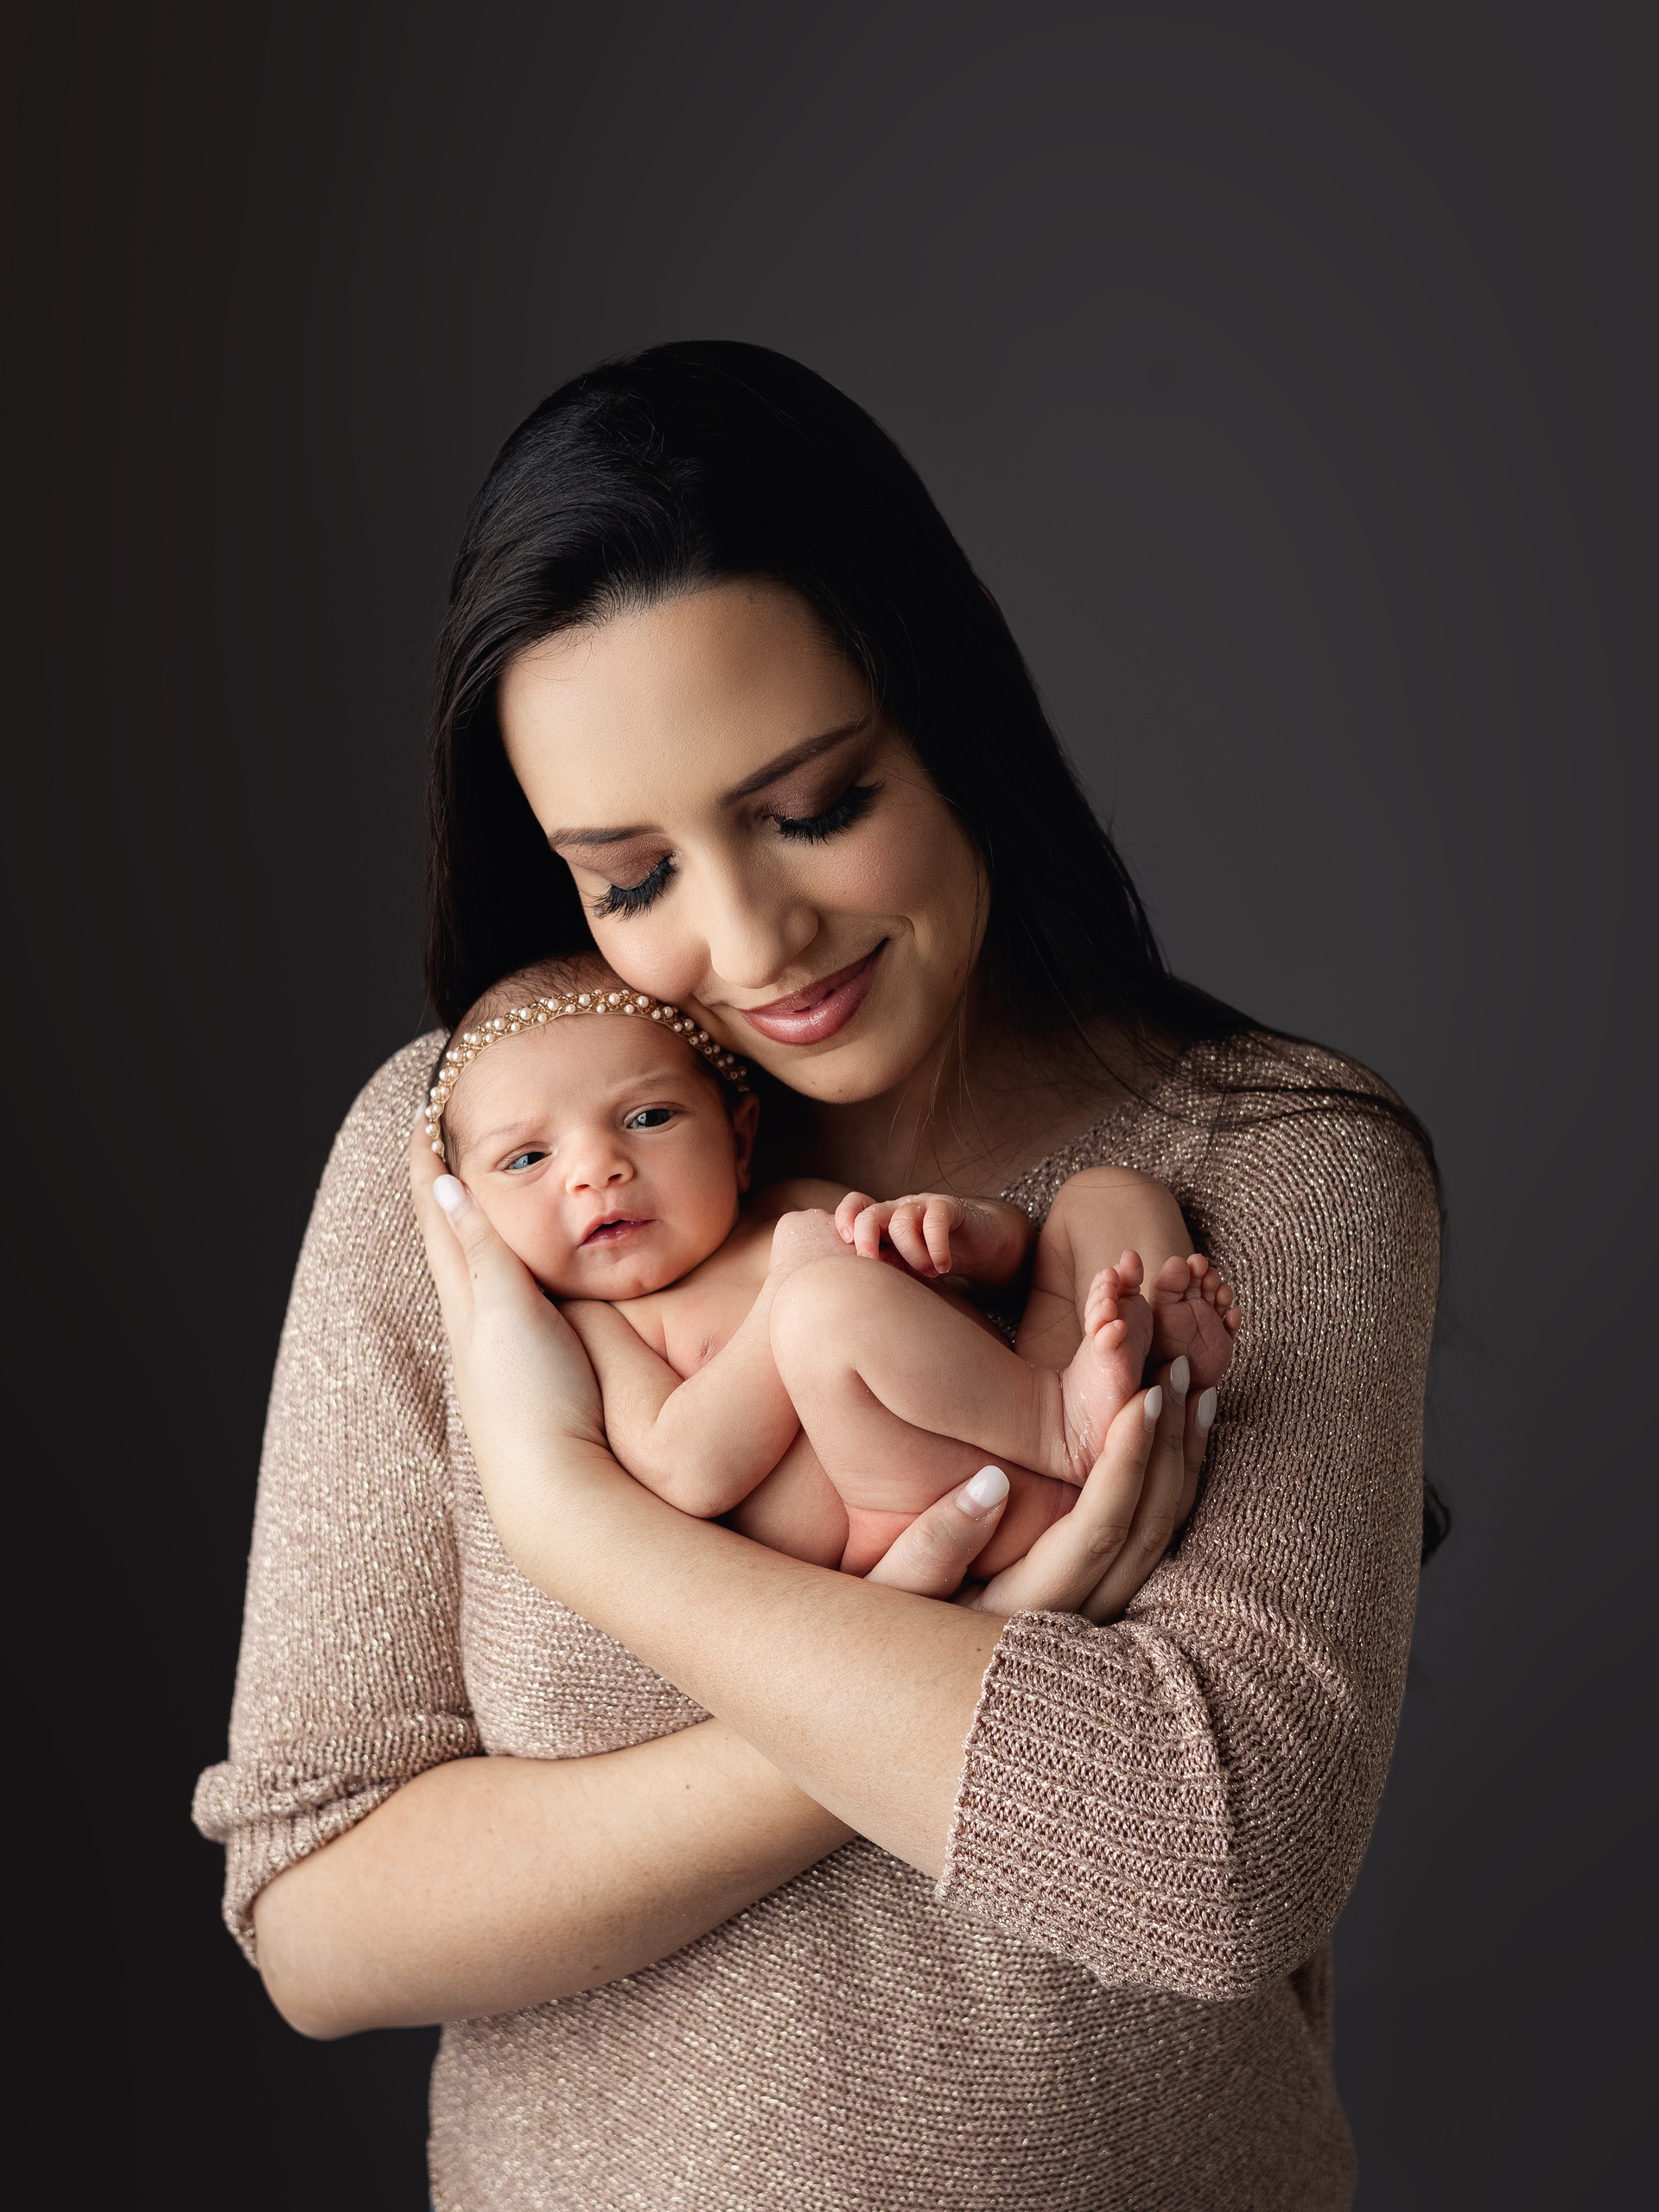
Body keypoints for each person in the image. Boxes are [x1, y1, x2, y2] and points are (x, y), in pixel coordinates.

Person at [194, 340, 1442, 2212]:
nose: (750, 940)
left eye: (813, 808)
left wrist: (581, 1520)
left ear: (950, 717)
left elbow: (1209, 1859)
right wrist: (989, 1619)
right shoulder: (484, 1162)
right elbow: (318, 1911)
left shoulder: (1276, 1166)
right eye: (631, 879)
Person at [425, 950, 1240, 1577]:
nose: (595, 1170)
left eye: (647, 1117)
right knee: (821, 1308)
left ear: (739, 1139)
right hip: (902, 1508)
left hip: (1021, 1396)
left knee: (1107, 1195)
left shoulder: (792, 1204)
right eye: (527, 1159)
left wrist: (960, 1231)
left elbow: (998, 1278)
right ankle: (1066, 1425)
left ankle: (1151, 1375)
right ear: (472, 1212)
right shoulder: (601, 1325)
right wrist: (790, 1290)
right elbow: (686, 1468)